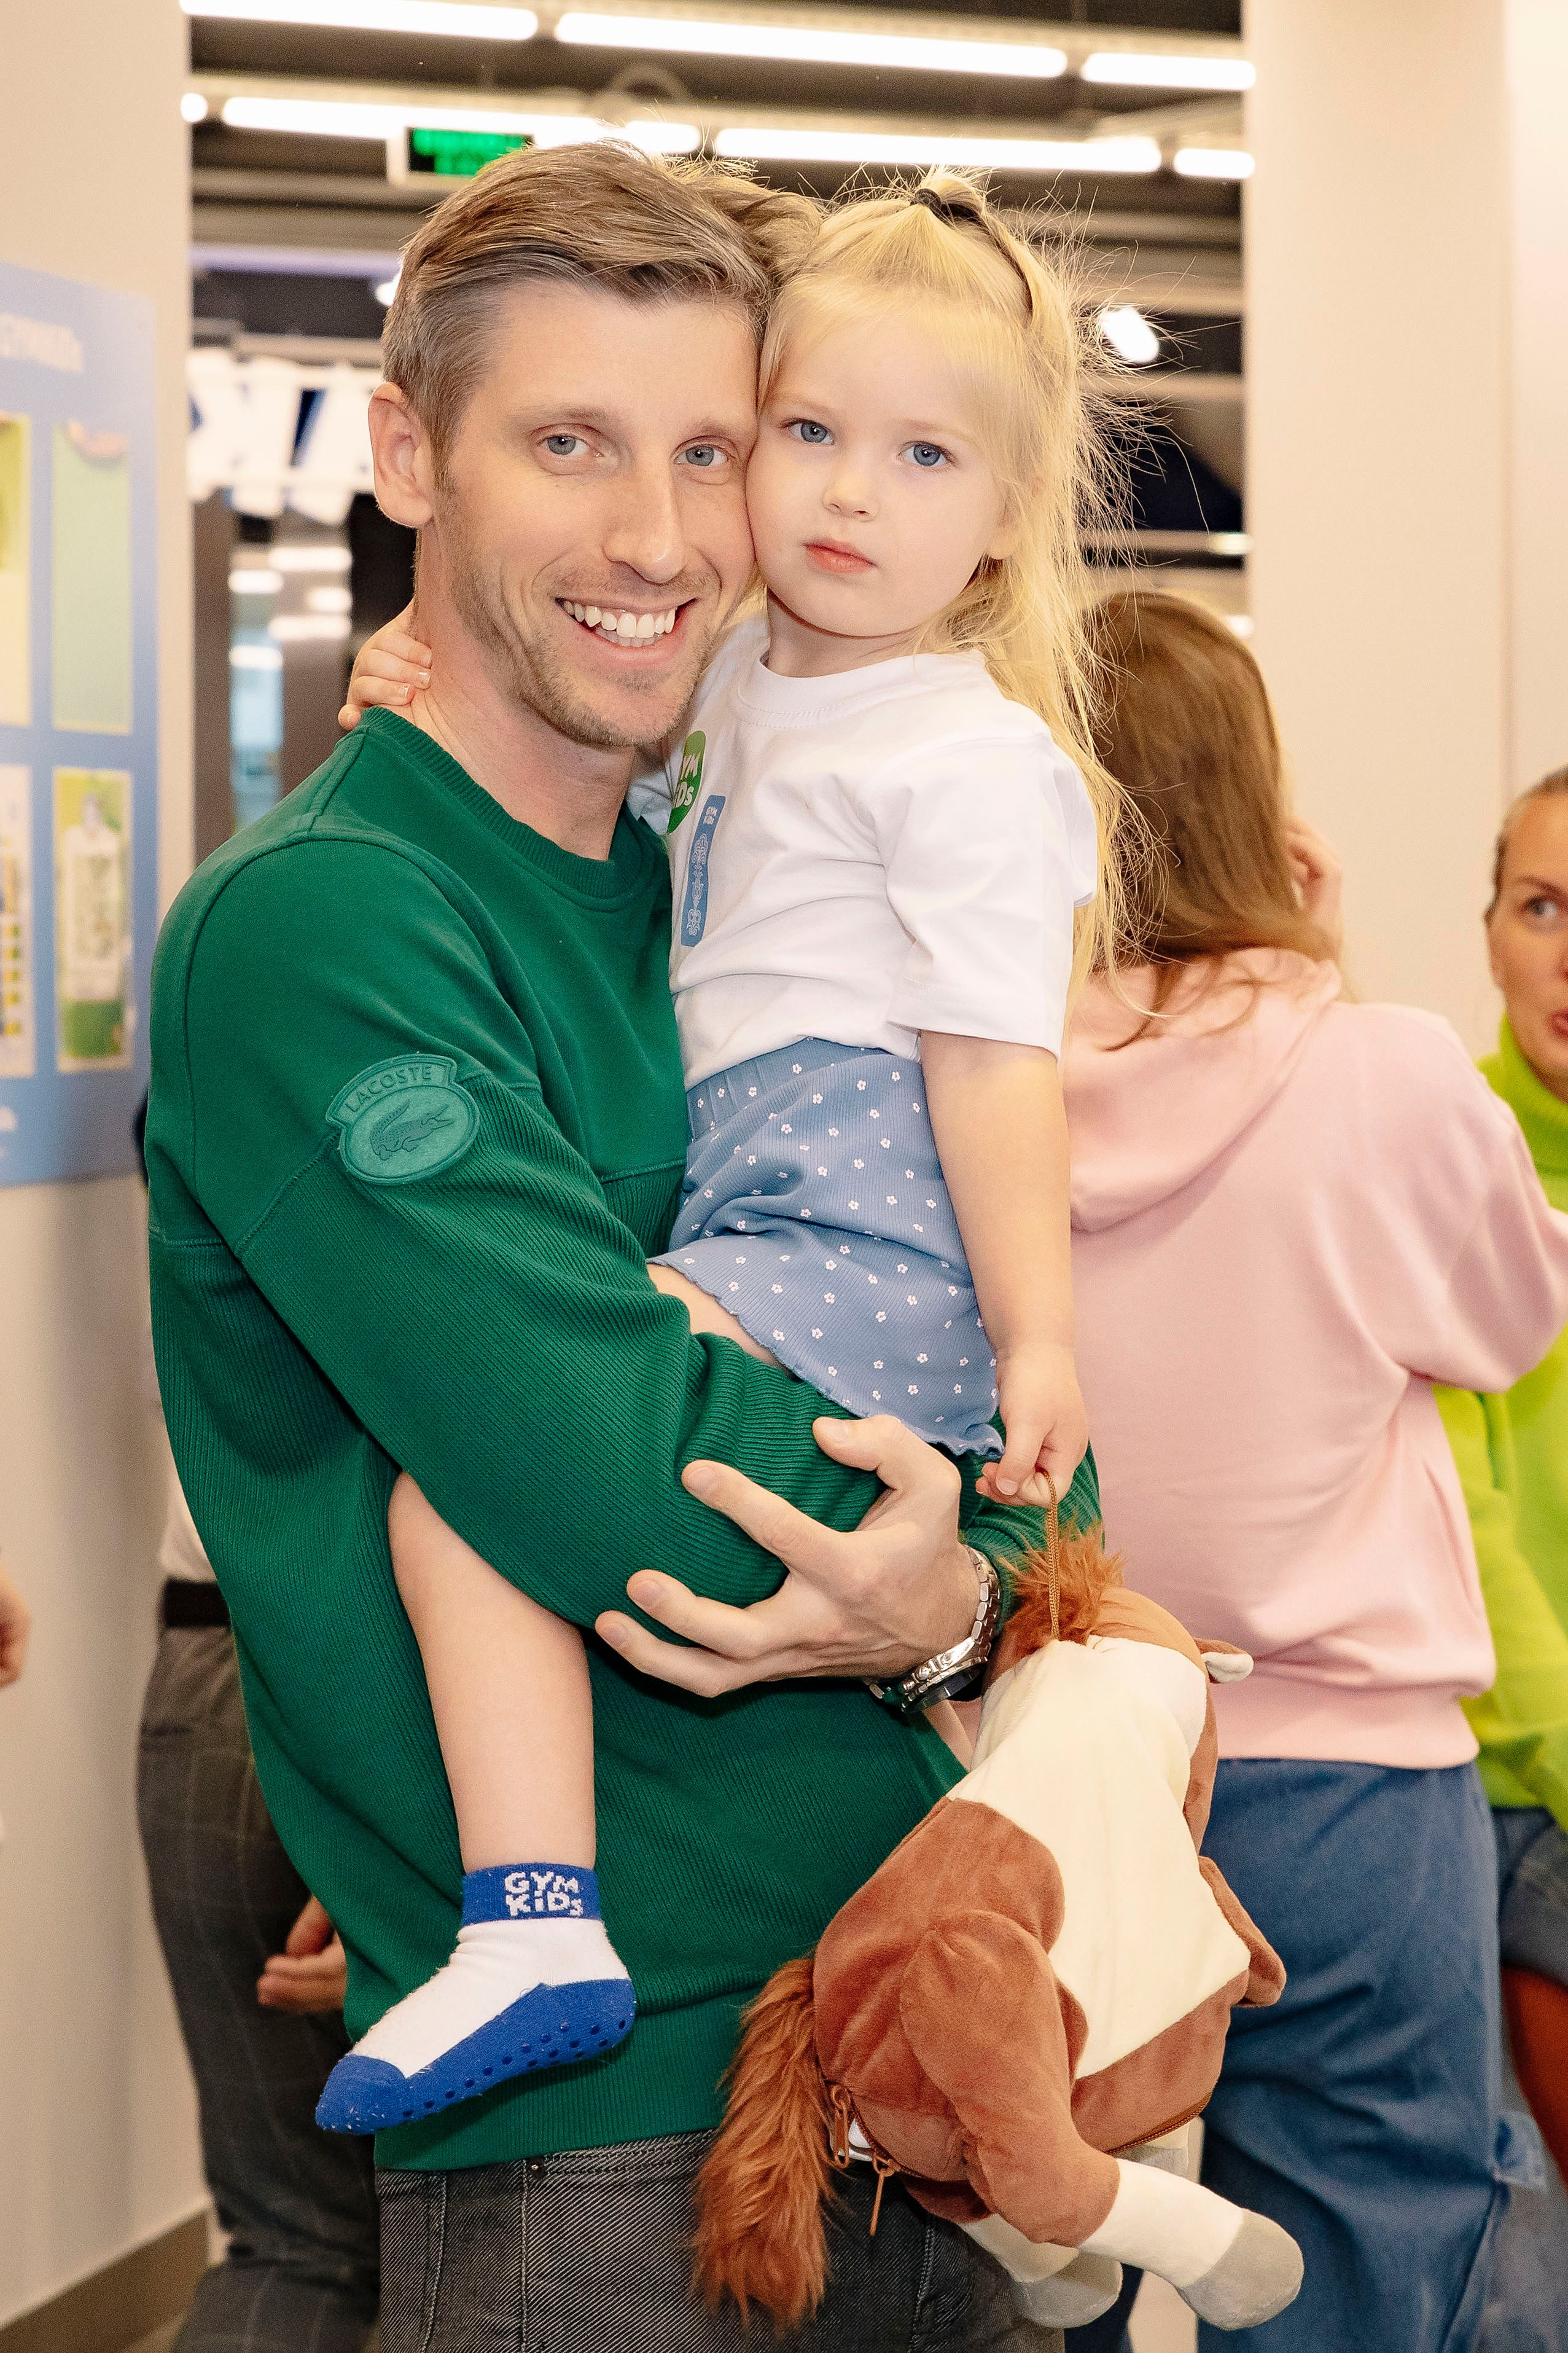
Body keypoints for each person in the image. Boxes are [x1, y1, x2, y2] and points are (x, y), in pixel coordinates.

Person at [146, 139, 1061, 2353]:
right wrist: (953, 1608)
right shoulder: (336, 925)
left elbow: (1019, 1456)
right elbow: (621, 1470)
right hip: (618, 2128)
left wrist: (969, 1591)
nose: (657, 538)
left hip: (906, 2044)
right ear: (404, 456)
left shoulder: (727, 893)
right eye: (566, 444)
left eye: (714, 452)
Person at [319, 168, 1126, 2140]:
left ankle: (532, 1919)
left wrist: (1038, 1334)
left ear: (1006, 515)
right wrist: (396, 695)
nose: (846, 494)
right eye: (804, 434)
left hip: (865, 1214)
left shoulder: (967, 754)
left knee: (464, 1494)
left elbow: (997, 1071)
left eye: (923, 453)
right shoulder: (752, 670)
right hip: (770, 1187)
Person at [1058, 591, 1568, 2353]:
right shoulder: (1382, 1067)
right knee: (1364, 2231)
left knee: (1042, 2231)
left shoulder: (971, 1087)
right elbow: (1513, 1316)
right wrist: (1319, 972)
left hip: (1066, 1761)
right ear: (1263, 804)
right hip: (1352, 1784)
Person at [132, 1098, 380, 2353]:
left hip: (204, 1667)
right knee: (431, 2240)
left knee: (290, 2240)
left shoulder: (205, 1066)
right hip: (369, 1686)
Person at [1437, 768, 1568, 2347]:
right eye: (1540, 909)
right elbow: (1464, 1523)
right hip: (1488, 1771)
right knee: (1495, 2205)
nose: (1566, 955)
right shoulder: (1450, 1142)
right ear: (1484, 930)